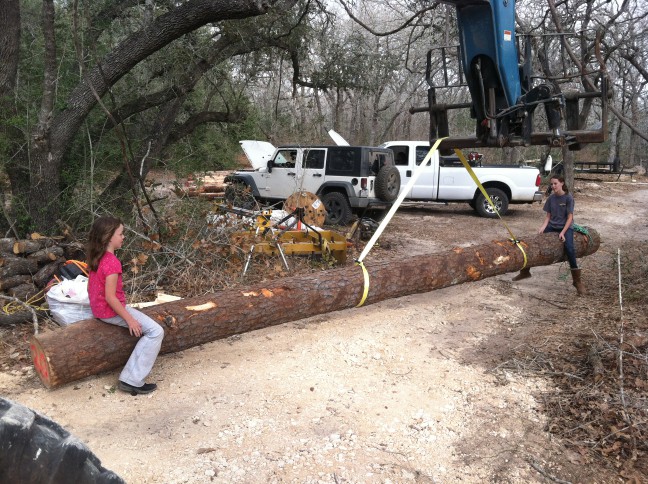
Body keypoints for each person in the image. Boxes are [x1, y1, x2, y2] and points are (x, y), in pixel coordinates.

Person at [87, 216, 164, 394]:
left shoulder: (97, 257)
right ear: (108, 237)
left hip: (99, 310)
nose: (123, 237)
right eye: (121, 234)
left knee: (149, 326)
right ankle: (132, 379)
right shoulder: (112, 262)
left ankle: (131, 377)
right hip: (109, 311)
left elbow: (93, 289)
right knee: (156, 331)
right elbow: (110, 297)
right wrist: (130, 320)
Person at [512, 175, 585, 295]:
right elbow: (548, 217)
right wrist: (543, 227)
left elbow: (570, 218)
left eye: (555, 183)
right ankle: (525, 272)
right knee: (534, 244)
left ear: (562, 183)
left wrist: (562, 232)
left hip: (566, 227)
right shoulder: (551, 198)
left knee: (570, 249)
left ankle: (577, 281)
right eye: (551, 184)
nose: (553, 186)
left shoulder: (568, 198)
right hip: (552, 225)